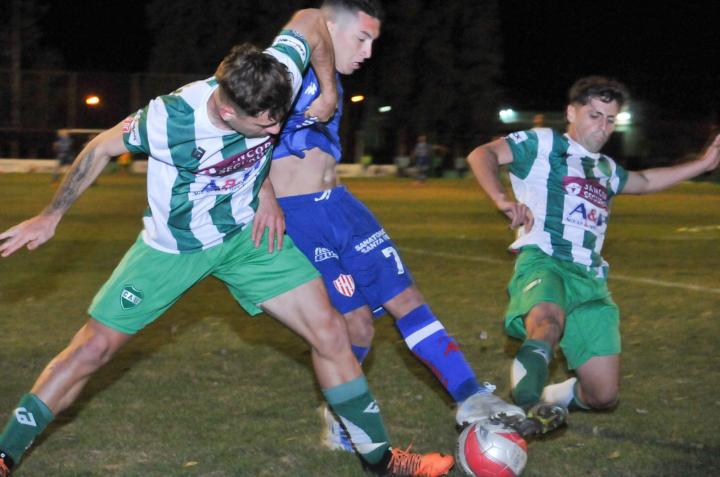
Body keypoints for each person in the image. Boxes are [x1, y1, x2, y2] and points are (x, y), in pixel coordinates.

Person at [0, 10, 453, 477]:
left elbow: (311, 19)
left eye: (279, 120)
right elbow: (99, 148)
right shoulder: (170, 119)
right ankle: (5, 453)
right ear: (227, 110)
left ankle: (379, 460)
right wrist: (51, 215)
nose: (276, 132)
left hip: (246, 236)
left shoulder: (276, 68)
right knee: (93, 348)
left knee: (332, 333)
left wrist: (330, 90)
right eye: (264, 126)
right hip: (174, 248)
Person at [269, 0, 530, 453]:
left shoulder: (328, 72)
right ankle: (340, 415)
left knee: (407, 298)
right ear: (331, 29)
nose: (368, 52)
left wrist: (331, 80)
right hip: (300, 217)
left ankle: (470, 396)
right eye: (362, 38)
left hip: (343, 206)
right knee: (357, 329)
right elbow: (307, 17)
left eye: (374, 41)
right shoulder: (288, 67)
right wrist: (326, 80)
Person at [466, 76, 720, 414]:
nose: (603, 127)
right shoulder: (544, 144)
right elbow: (482, 154)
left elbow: (644, 181)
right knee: (547, 321)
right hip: (545, 259)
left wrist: (703, 164)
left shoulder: (607, 169)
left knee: (603, 396)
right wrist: (500, 198)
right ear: (572, 112)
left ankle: (548, 400)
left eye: (610, 119)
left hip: (590, 279)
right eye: (595, 115)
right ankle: (518, 411)